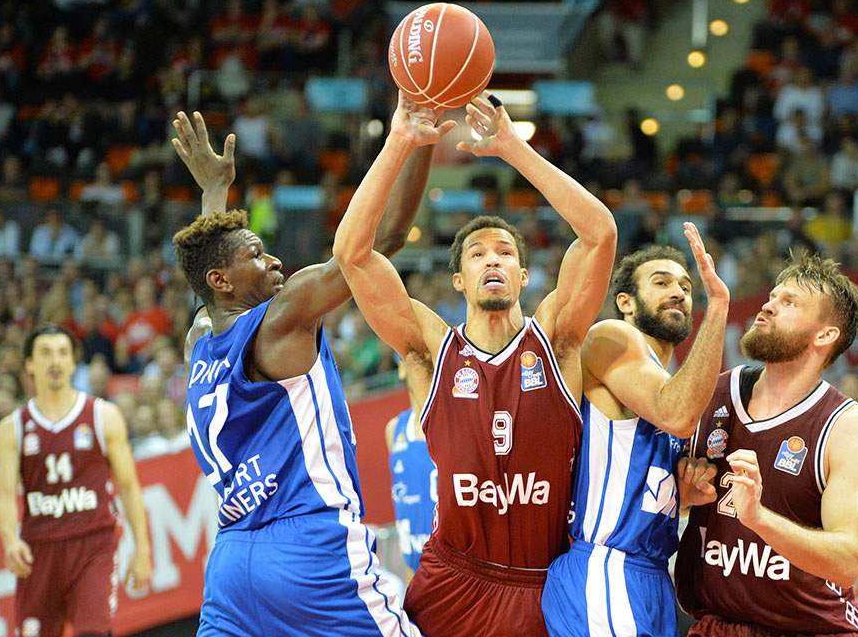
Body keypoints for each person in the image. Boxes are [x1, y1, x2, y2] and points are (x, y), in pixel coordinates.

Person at [332, 93, 618, 636]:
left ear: (523, 276)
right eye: (479, 253)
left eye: (506, 253)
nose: (493, 259)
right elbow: (352, 253)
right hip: (453, 582)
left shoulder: (556, 341)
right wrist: (399, 140)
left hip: (544, 582)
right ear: (459, 280)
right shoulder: (428, 350)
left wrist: (513, 148)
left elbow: (600, 232)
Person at [170, 104, 439, 636]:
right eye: (257, 254)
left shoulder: (198, 340)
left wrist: (214, 194)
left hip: (231, 564)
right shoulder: (283, 318)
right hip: (308, 547)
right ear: (224, 280)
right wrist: (410, 139)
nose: (273, 262)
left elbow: (208, 273)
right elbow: (380, 243)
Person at [675, 252, 858, 636]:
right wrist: (683, 497)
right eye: (773, 296)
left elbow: (848, 561)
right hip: (716, 625)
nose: (769, 305)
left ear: (825, 335)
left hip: (808, 629)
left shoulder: (849, 427)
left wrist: (759, 519)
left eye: (790, 302)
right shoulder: (716, 390)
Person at [540, 240, 728, 636]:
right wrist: (719, 307)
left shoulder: (669, 378)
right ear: (625, 302)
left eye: (685, 286)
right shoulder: (613, 338)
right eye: (661, 283)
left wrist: (684, 497)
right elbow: (677, 414)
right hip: (606, 568)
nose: (678, 291)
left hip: (653, 575)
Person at [0, 324, 152, 637]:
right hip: (39, 550)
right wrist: (10, 541)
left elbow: (130, 487)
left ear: (72, 363)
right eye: (46, 353)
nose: (55, 361)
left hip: (93, 544)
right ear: (29, 364)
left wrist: (143, 549)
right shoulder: (13, 427)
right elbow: (3, 496)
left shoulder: (102, 416)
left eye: (63, 353)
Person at [385, 361, 436, 582]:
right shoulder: (394, 429)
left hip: (455, 579)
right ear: (401, 367)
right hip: (417, 576)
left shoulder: (456, 422)